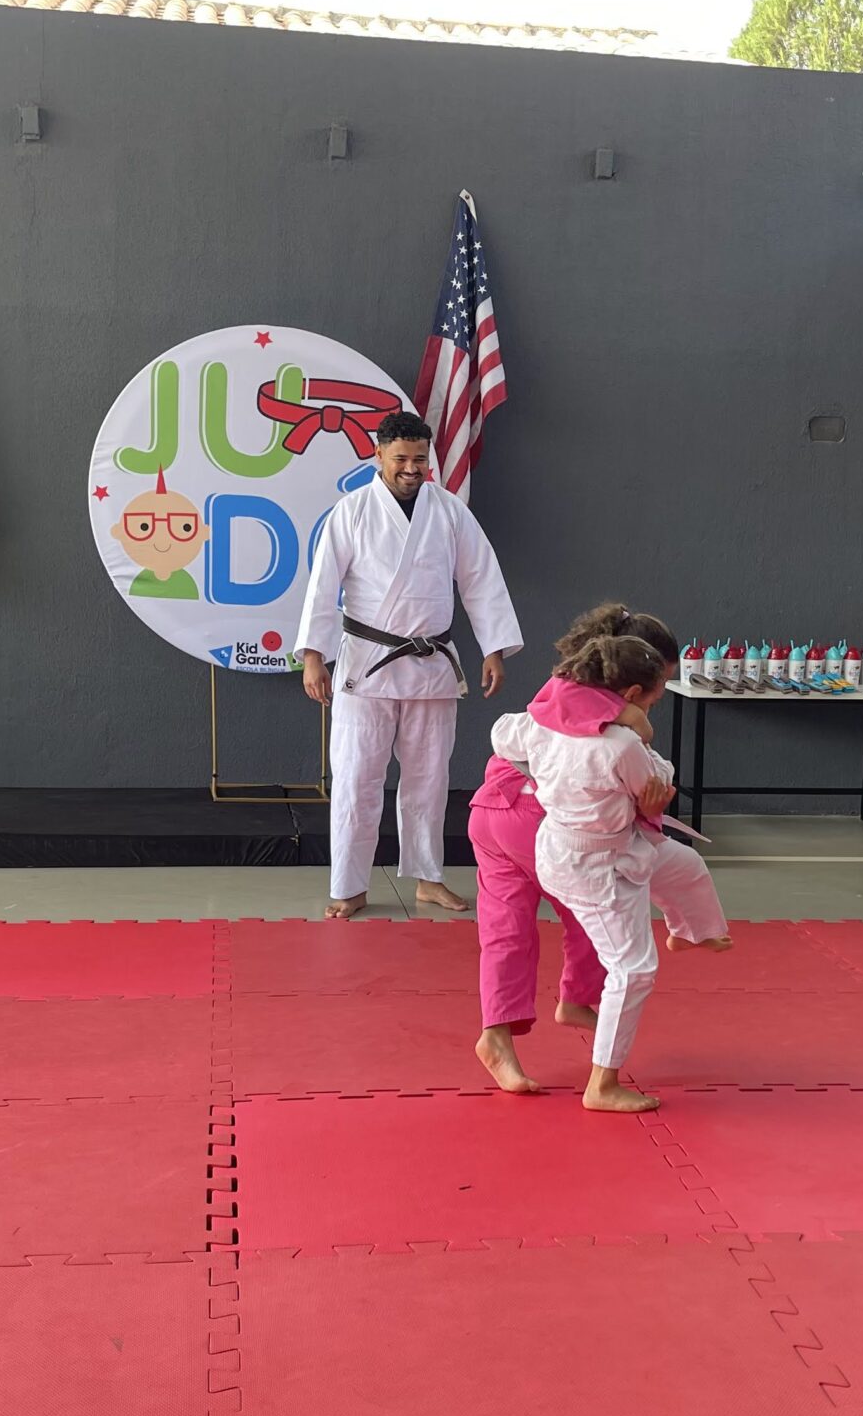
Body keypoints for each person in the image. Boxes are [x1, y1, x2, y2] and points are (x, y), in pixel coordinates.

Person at [471, 606, 727, 1095]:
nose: (658, 697)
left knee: (506, 929)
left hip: (491, 807)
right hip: (532, 815)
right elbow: (633, 779)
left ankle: (497, 1036)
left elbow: (510, 732)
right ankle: (578, 1002)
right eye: (659, 683)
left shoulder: (566, 684)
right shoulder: (606, 722)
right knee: (599, 905)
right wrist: (634, 730)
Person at [296, 410, 522, 920]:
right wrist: (313, 656)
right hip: (367, 664)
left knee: (429, 779)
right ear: (378, 455)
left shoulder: (449, 511)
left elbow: (480, 577)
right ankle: (349, 885)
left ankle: (428, 878)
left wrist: (494, 647)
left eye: (420, 459)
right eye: (400, 458)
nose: (411, 468)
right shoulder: (352, 511)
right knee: (356, 779)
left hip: (430, 664)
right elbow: (322, 584)